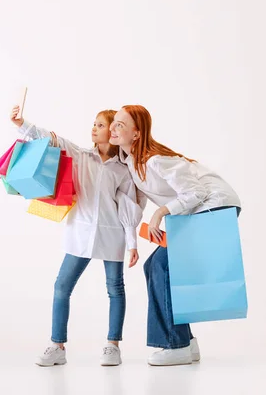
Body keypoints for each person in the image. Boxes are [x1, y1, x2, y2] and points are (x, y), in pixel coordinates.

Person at [9, 105, 144, 366]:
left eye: (101, 125)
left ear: (115, 132)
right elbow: (51, 138)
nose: (95, 128)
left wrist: (132, 243)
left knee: (115, 288)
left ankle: (112, 345)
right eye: (94, 124)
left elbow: (129, 208)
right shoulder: (81, 155)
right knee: (62, 287)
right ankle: (57, 345)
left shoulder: (123, 170)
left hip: (111, 234)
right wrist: (22, 123)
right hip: (79, 232)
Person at [109, 105, 241, 366]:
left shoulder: (154, 159)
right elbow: (136, 207)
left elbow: (196, 193)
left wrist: (162, 213)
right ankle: (186, 342)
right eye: (113, 122)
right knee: (158, 266)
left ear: (136, 134)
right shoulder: (132, 163)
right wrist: (131, 242)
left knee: (161, 266)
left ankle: (175, 344)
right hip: (201, 210)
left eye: (120, 124)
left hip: (215, 205)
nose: (113, 127)